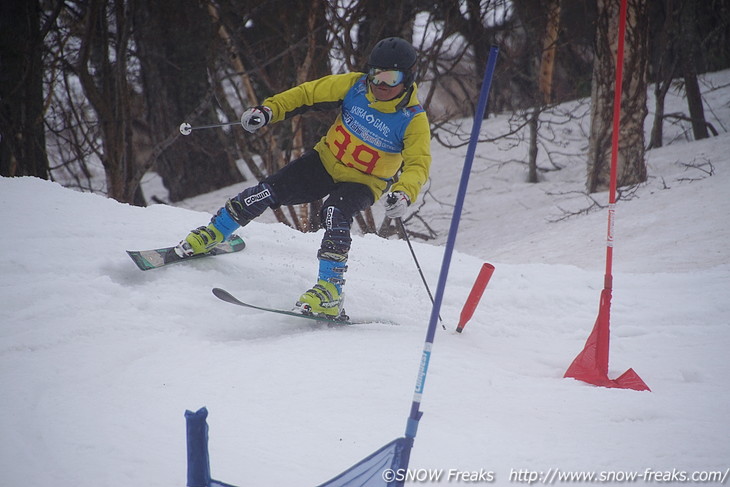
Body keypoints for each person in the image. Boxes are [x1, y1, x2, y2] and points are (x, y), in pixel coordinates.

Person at [175, 37, 432, 319]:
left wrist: (404, 193)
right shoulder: (354, 86)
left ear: (407, 79)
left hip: (363, 181)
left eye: (390, 77)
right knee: (266, 191)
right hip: (324, 161)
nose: (380, 84)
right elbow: (306, 94)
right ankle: (216, 232)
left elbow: (418, 164)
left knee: (333, 213)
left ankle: (330, 291)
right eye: (376, 75)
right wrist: (268, 110)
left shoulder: (412, 119)